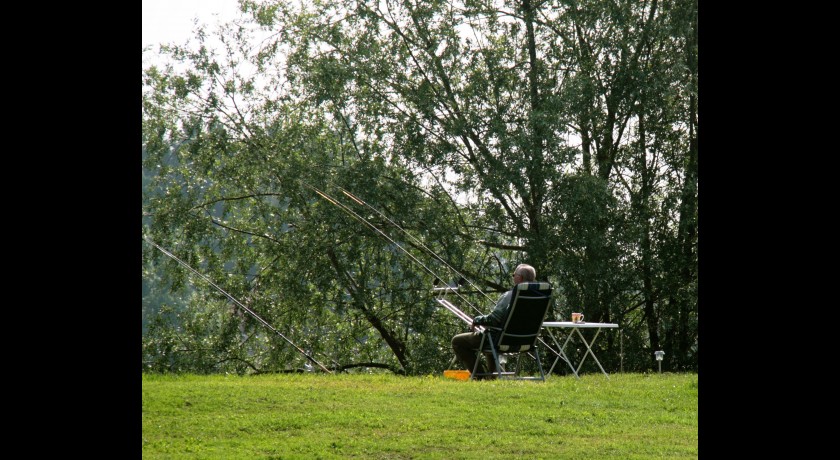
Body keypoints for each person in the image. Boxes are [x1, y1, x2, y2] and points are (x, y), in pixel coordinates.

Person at [451, 263, 537, 380]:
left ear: (519, 278)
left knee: (457, 341)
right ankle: (491, 376)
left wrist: (477, 320)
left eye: (514, 275)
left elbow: (493, 319)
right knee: (491, 335)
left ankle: (480, 376)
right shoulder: (537, 298)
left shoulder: (510, 296)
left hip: (502, 340)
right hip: (526, 341)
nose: (513, 277)